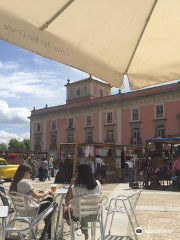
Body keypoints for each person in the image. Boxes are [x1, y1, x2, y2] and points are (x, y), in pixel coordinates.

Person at [10, 164, 54, 240]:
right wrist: (46, 193)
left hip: (21, 212)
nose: (31, 174)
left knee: (47, 207)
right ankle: (49, 234)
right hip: (31, 212)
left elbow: (30, 193)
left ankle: (48, 233)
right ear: (25, 172)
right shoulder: (25, 182)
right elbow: (36, 196)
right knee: (50, 201)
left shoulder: (14, 183)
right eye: (30, 172)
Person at [63, 164, 101, 240]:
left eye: (77, 172)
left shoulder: (76, 187)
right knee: (82, 210)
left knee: (65, 207)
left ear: (79, 174)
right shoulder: (98, 184)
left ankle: (76, 227)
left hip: (79, 215)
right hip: (95, 214)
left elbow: (67, 201)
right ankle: (85, 233)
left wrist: (71, 184)